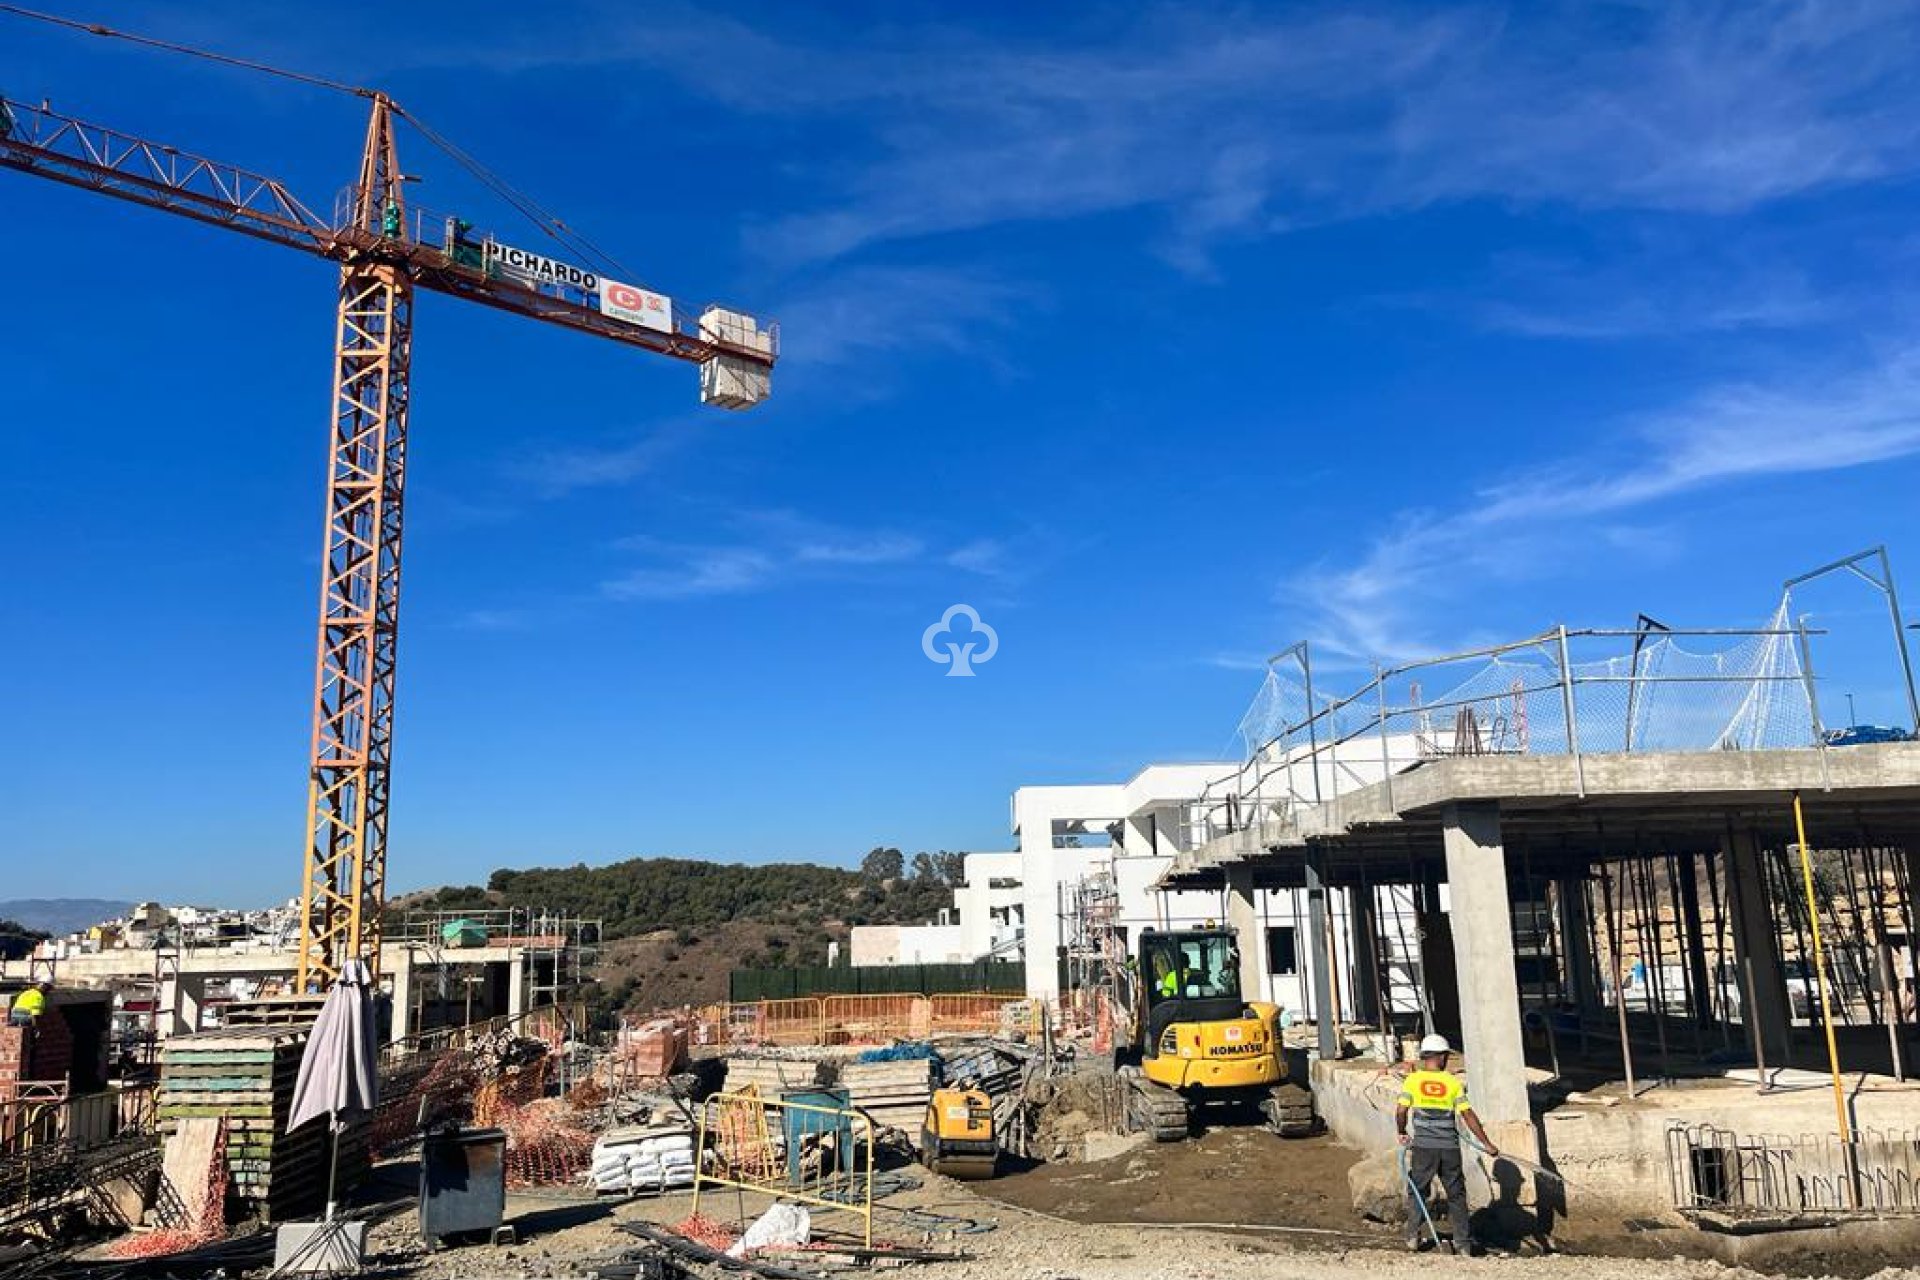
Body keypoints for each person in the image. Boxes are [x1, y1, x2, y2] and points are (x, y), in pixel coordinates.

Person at [1396, 1033, 1499, 1255]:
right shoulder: (1452, 1083)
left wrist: (1401, 1131)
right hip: (1450, 1148)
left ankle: (1413, 1237)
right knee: (1456, 1194)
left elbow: (1401, 1110)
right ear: (1441, 1057)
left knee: (1418, 1190)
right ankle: (1463, 1244)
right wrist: (1487, 1144)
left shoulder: (1413, 1081)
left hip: (1424, 1147)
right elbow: (1468, 1115)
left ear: (1425, 1056)